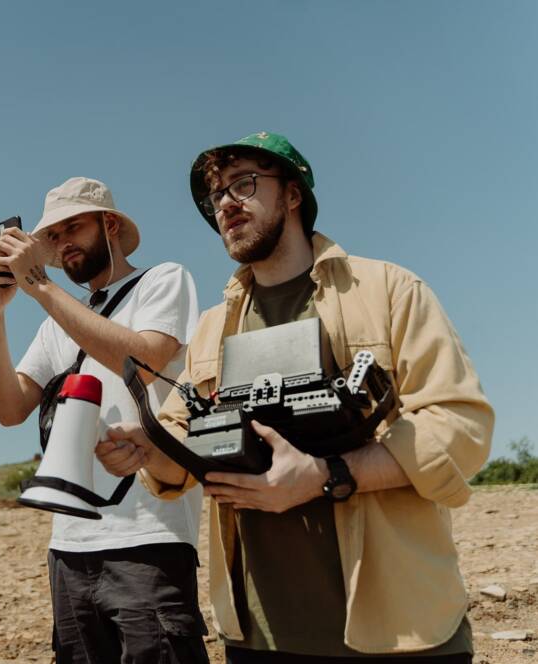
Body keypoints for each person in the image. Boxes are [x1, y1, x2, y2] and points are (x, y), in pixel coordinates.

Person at [96, 132, 494, 663]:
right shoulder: (213, 328)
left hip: (403, 634)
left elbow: (460, 428)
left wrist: (328, 475)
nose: (225, 204)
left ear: (292, 194)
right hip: (260, 637)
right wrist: (149, 446)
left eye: (243, 184)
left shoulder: (389, 290)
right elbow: (178, 455)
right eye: (216, 195)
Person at [0, 176, 209, 663]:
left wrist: (40, 286)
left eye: (74, 227)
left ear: (110, 225)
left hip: (149, 535)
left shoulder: (163, 279)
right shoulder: (57, 319)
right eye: (53, 236)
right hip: (69, 545)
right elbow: (9, 409)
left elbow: (144, 360)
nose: (63, 242)